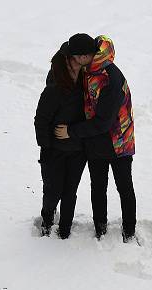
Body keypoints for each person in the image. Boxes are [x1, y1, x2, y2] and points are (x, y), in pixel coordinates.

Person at [55, 34, 136, 242]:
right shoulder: (89, 69)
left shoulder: (111, 78)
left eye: (75, 57)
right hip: (95, 142)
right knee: (98, 187)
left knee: (124, 187)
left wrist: (71, 132)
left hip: (118, 143)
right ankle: (100, 228)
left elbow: (103, 122)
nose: (73, 61)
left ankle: (129, 231)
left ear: (85, 56)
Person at [33, 42, 87, 239]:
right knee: (52, 191)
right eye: (75, 60)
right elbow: (41, 121)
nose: (79, 64)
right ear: (66, 61)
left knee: (70, 191)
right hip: (54, 151)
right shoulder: (54, 88)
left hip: (78, 149)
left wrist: (74, 133)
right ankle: (47, 218)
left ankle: (65, 228)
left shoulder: (86, 84)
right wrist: (46, 147)